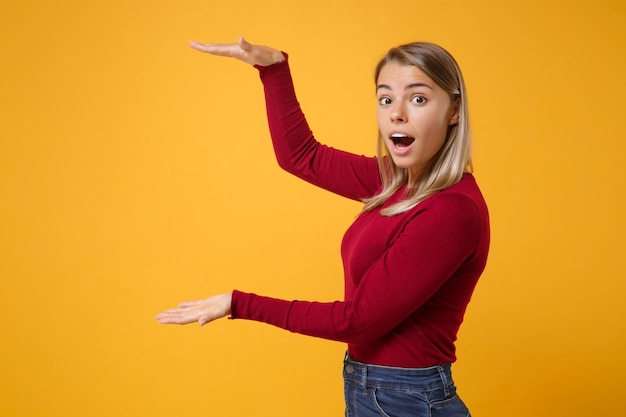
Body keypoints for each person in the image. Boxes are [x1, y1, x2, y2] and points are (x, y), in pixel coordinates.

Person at [156, 36, 490, 417]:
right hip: (374, 388)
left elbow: (359, 321)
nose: (397, 114)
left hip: (406, 399)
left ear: (454, 111)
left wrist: (240, 303)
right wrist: (273, 69)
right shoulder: (395, 181)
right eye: (385, 99)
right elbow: (302, 156)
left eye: (418, 99)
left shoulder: (451, 211)